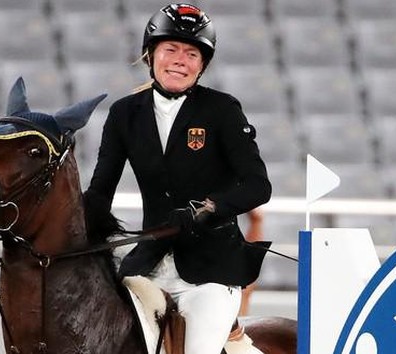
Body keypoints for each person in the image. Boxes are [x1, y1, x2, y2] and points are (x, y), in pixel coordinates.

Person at [84, 3, 271, 354]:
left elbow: (258, 185)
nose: (180, 60)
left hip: (211, 273)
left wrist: (207, 208)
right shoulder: (124, 114)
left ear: (202, 65)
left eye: (191, 54)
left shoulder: (222, 110)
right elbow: (99, 195)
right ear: (150, 54)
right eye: (170, 49)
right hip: (147, 266)